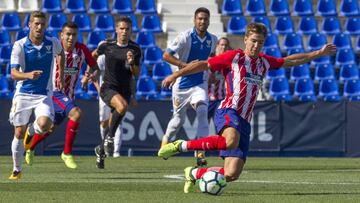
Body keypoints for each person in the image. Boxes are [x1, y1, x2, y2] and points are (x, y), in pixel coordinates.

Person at [158, 22, 337, 193]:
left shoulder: (264, 62)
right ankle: (181, 145)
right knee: (230, 141)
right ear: (245, 40)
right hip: (229, 110)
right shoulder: (234, 57)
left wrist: (318, 53)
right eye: (253, 41)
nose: (256, 45)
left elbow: (289, 61)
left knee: (231, 174)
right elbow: (204, 64)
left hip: (245, 120)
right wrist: (176, 75)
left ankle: (195, 173)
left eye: (260, 42)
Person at [23, 22, 100, 169]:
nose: (71, 38)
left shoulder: (82, 50)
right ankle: (67, 153)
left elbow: (95, 67)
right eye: (68, 34)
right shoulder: (52, 48)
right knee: (76, 113)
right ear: (61, 35)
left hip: (67, 96)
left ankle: (30, 148)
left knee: (49, 128)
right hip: (52, 93)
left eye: (74, 35)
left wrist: (90, 75)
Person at [8, 11, 65, 180]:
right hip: (23, 93)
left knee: (45, 124)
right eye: (36, 24)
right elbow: (13, 73)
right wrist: (28, 75)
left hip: (43, 95)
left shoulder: (52, 42)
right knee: (18, 133)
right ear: (29, 25)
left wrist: (60, 73)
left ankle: (31, 132)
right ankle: (17, 170)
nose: (40, 27)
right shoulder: (20, 45)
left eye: (42, 24)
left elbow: (60, 53)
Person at [160, 7, 217, 167]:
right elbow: (166, 55)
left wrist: (210, 72)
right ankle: (165, 142)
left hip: (200, 84)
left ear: (209, 21)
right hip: (182, 85)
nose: (202, 21)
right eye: (199, 18)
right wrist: (183, 65)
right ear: (194, 20)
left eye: (205, 19)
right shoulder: (184, 37)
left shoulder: (213, 39)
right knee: (178, 120)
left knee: (203, 113)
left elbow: (211, 59)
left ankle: (200, 152)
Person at [92, 16, 141, 169]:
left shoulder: (135, 49)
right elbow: (93, 55)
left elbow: (137, 73)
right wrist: (89, 72)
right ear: (116, 29)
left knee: (114, 117)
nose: (124, 31)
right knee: (122, 107)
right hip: (108, 88)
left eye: (127, 29)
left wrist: (132, 63)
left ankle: (101, 149)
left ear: (131, 30)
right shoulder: (107, 45)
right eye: (121, 28)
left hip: (124, 90)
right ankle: (110, 138)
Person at [86, 54, 137, 158]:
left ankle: (116, 152)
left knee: (118, 120)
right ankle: (104, 146)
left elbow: (132, 78)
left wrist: (133, 96)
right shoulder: (102, 59)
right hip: (105, 92)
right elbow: (96, 72)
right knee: (104, 123)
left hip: (119, 93)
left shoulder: (123, 59)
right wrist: (97, 86)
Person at [208, 37, 231, 120]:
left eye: (226, 45)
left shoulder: (229, 63)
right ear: (217, 46)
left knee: (219, 124)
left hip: (221, 99)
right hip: (208, 99)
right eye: (221, 45)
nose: (223, 47)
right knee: (203, 125)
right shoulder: (210, 60)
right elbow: (208, 81)